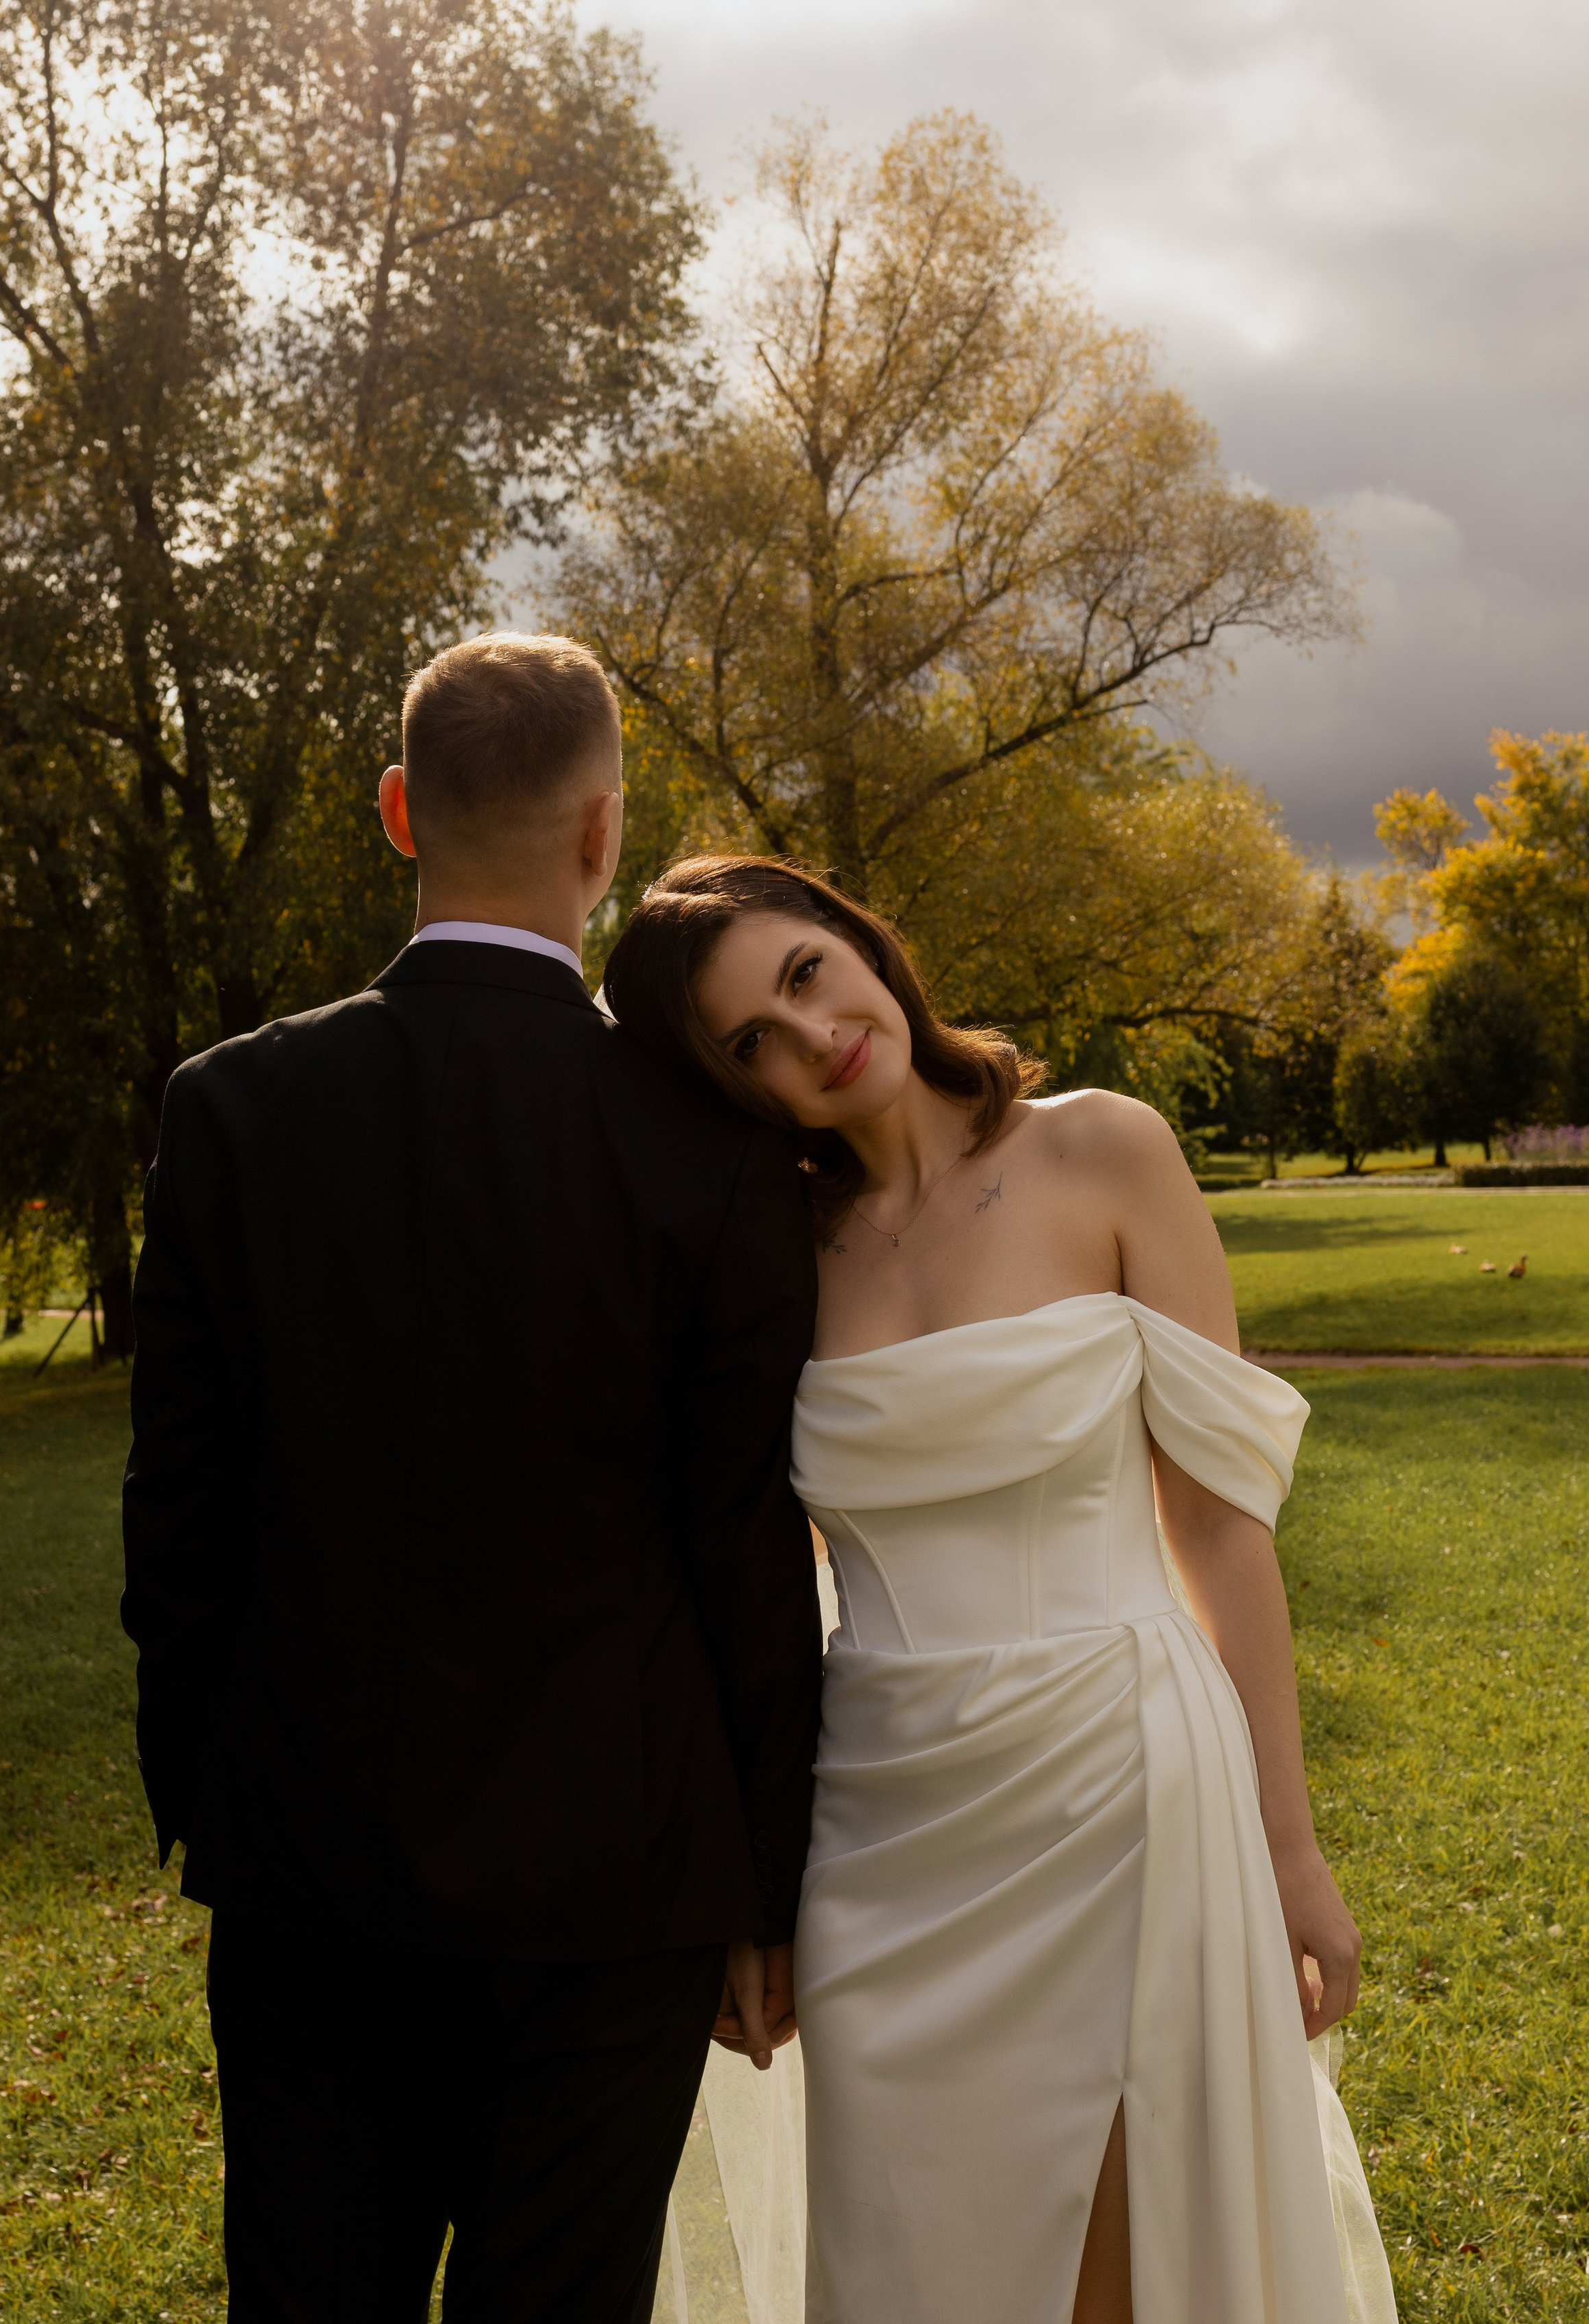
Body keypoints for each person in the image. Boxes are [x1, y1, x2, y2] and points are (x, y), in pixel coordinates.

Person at [121, 638, 824, 2323]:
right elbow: (742, 1546)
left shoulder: (231, 1110)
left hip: (306, 1853)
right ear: (603, 837)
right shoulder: (714, 1152)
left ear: (394, 813)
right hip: (621, 1878)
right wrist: (764, 1882)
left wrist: (208, 1794)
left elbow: (181, 1519)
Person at [604, 857, 1397, 2324]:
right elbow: (740, 1576)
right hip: (880, 1828)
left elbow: (1218, 1527)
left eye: (799, 974)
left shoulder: (1102, 1149)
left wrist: (1290, 1851)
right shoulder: (772, 1244)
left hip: (1126, 1790)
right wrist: (747, 1888)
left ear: (851, 934)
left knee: (1117, 2260)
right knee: (910, 2263)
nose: (811, 1036)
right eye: (748, 1047)